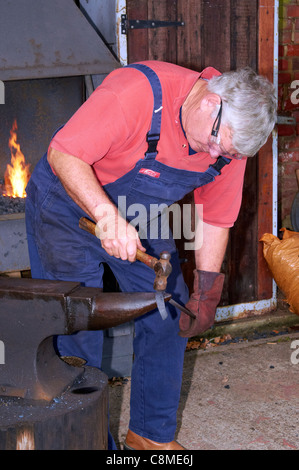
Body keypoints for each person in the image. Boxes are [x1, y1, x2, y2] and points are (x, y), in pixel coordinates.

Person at [25, 60, 276, 450]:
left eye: (222, 151)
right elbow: (64, 155)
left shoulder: (227, 144)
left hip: (141, 212)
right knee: (78, 331)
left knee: (169, 313)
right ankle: (84, 442)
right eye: (213, 143)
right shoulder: (136, 93)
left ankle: (148, 438)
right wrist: (108, 218)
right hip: (66, 204)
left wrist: (206, 290)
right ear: (211, 101)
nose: (212, 154)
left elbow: (216, 218)